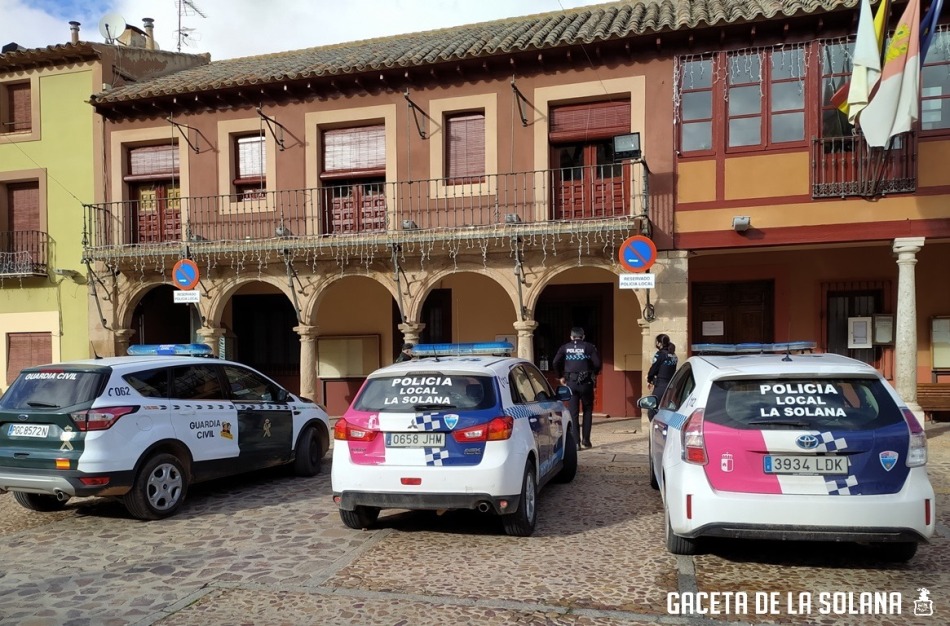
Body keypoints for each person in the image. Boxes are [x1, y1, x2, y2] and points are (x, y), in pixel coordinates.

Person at [552, 327, 601, 449]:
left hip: (571, 383)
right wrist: (594, 374)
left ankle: (576, 442)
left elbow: (555, 362)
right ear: (583, 336)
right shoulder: (589, 347)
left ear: (571, 337)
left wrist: (560, 376)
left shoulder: (565, 347)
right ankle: (586, 440)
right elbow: (597, 363)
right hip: (586, 383)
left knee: (573, 413)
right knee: (587, 410)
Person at [646, 334, 678, 419]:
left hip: (661, 385)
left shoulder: (660, 355)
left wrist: (649, 380)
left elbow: (653, 369)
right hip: (672, 385)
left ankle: (655, 426)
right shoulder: (673, 355)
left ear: (659, 343)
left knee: (652, 409)